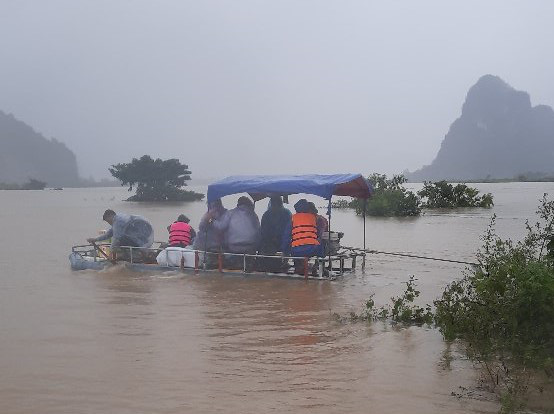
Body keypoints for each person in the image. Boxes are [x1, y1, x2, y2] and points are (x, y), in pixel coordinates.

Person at [210, 196, 261, 268]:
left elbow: (220, 227)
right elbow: (258, 230)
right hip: (251, 247)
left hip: (235, 246)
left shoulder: (230, 213)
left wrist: (211, 221)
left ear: (238, 204)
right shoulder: (253, 214)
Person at [87, 209, 154, 260]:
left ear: (110, 217)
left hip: (141, 237)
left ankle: (124, 258)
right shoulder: (118, 219)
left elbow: (116, 238)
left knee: (118, 241)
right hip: (141, 237)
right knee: (118, 241)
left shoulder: (118, 221)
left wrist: (110, 254)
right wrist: (95, 239)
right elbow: (108, 234)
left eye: (108, 221)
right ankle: (135, 256)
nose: (109, 223)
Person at [281, 199, 324, 271]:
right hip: (313, 249)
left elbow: (286, 236)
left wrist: (284, 249)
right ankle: (319, 267)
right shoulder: (314, 218)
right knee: (321, 247)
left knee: (291, 247)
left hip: (297, 250)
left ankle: (298, 267)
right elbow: (318, 234)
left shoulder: (292, 218)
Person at [258, 196, 292, 272]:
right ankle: (284, 263)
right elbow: (290, 230)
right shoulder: (287, 213)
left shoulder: (266, 214)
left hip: (269, 243)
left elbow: (263, 231)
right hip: (282, 242)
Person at [193, 199, 228, 267]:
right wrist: (206, 219)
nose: (213, 208)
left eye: (214, 205)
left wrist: (211, 220)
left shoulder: (225, 214)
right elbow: (201, 227)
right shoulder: (208, 214)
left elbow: (221, 228)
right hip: (204, 244)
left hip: (218, 245)